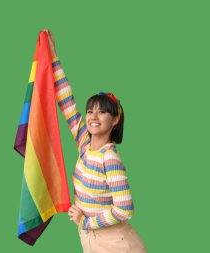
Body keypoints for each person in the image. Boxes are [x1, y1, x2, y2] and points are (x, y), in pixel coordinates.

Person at [46, 30, 148, 253]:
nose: (93, 116)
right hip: (90, 239)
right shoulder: (84, 143)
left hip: (116, 244)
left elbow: (125, 209)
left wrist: (87, 221)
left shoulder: (109, 159)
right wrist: (53, 56)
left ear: (115, 119)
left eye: (102, 112)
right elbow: (67, 101)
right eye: (90, 110)